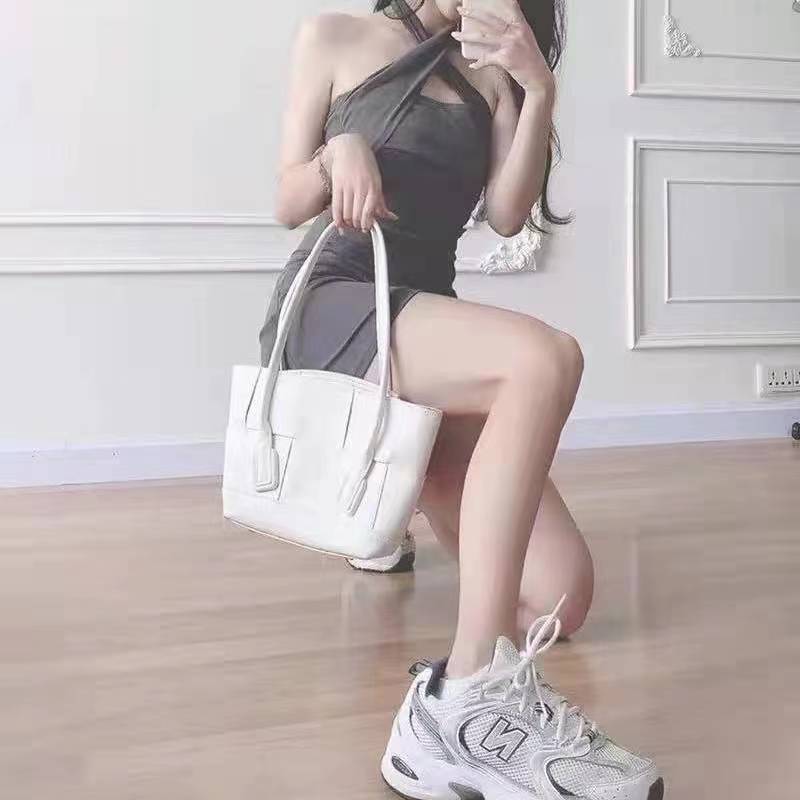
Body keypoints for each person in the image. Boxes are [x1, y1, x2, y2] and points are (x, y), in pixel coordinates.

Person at [260, 2, 663, 797]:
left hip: (427, 318)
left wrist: (537, 88)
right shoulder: (336, 36)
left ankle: (400, 495)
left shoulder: (494, 75)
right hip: (341, 296)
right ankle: (466, 694)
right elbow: (286, 202)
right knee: (544, 360)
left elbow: (509, 216)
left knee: (559, 601)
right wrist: (338, 152)